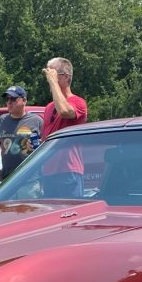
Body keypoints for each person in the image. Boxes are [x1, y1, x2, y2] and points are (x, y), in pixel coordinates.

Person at [40, 57, 88, 197]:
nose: (49, 78)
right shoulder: (49, 107)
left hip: (68, 171)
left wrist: (53, 82)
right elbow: (46, 138)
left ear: (66, 77)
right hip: (48, 172)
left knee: (71, 216)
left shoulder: (78, 102)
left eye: (53, 74)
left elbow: (65, 111)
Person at [0, 85, 43, 181]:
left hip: (29, 180)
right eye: (7, 99)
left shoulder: (36, 121)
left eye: (13, 99)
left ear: (24, 101)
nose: (9, 102)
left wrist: (40, 144)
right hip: (7, 181)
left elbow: (47, 146)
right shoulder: (2, 120)